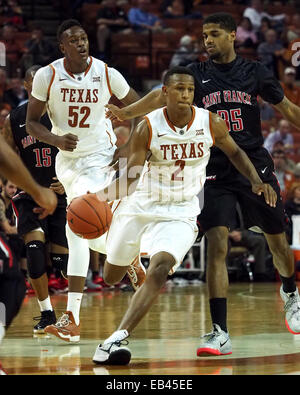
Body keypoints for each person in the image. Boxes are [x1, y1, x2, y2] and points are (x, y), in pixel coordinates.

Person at [105, 12, 300, 356]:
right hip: (214, 169)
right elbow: (157, 96)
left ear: (232, 36)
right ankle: (218, 330)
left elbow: (284, 107)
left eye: (213, 34)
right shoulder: (194, 75)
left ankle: (290, 292)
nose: (207, 40)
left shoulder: (254, 71)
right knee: (216, 243)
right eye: (204, 35)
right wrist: (127, 113)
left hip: (253, 162)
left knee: (278, 243)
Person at [91, 66, 276, 365]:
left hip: (181, 210)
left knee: (161, 268)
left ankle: (115, 339)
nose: (186, 95)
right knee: (110, 276)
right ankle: (130, 260)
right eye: (179, 89)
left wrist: (256, 180)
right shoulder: (147, 127)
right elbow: (132, 179)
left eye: (190, 90)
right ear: (164, 93)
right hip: (141, 204)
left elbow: (237, 153)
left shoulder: (210, 122)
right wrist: (98, 197)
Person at [26, 19, 144, 343]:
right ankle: (124, 256)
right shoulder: (46, 76)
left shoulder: (106, 73)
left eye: (84, 38)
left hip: (102, 157)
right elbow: (31, 123)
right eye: (73, 40)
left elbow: (139, 110)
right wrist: (55, 139)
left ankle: (73, 319)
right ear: (62, 46)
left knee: (75, 227)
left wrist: (129, 149)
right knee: (83, 223)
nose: (81, 43)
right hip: (68, 162)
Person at [1, 65, 69, 334]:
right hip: (29, 195)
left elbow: (81, 152)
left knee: (63, 264)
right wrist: (9, 182)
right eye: (35, 82)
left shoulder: (62, 113)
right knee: (34, 254)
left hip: (62, 194)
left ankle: (72, 312)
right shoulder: (15, 119)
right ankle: (47, 313)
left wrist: (67, 181)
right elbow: (7, 156)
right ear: (28, 87)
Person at [0, 133, 57, 374]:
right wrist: (37, 190)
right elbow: (5, 154)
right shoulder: (16, 120)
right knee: (11, 278)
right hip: (32, 203)